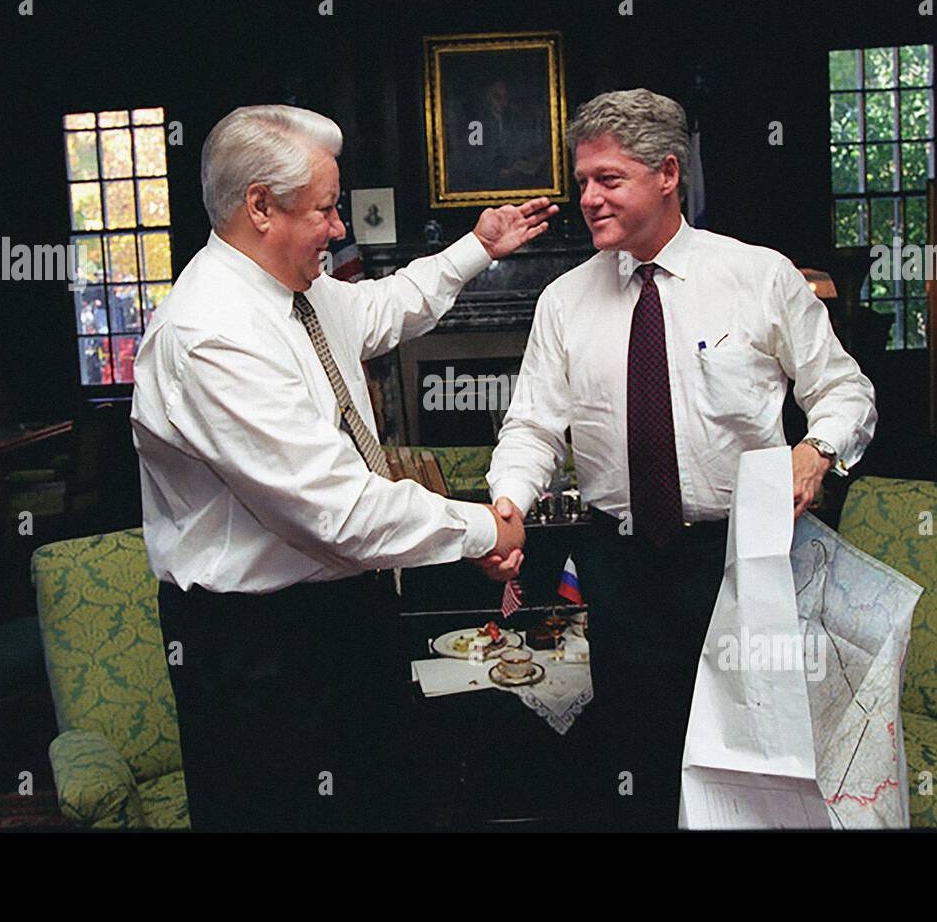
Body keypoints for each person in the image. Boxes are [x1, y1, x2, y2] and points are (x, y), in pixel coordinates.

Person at [131, 104, 555, 831]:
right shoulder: (211, 336)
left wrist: (478, 247)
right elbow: (340, 511)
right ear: (260, 206)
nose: (338, 227)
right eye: (326, 209)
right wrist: (485, 527)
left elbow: (386, 308)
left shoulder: (299, 292)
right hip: (261, 651)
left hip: (344, 618)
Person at [480, 89, 878, 830]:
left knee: (755, 755)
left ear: (667, 173)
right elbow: (533, 427)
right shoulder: (564, 303)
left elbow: (844, 389)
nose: (588, 199)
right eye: (582, 182)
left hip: (742, 558)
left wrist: (817, 450)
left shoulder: (759, 276)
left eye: (608, 179)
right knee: (638, 756)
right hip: (619, 565)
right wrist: (507, 504)